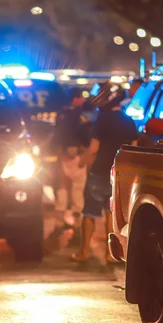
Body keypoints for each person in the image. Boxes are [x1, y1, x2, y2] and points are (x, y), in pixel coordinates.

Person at [72, 83, 138, 265]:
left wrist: (86, 166)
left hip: (99, 172)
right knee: (112, 214)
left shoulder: (102, 120)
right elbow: (133, 148)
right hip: (119, 175)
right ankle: (111, 254)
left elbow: (93, 149)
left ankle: (84, 251)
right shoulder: (128, 121)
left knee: (90, 213)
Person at [53, 88, 91, 229]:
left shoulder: (62, 114)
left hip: (64, 155)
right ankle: (77, 225)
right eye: (81, 97)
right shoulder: (80, 115)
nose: (84, 100)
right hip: (77, 156)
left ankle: (59, 222)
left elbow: (57, 135)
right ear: (76, 98)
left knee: (62, 187)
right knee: (77, 190)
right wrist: (86, 155)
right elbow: (86, 136)